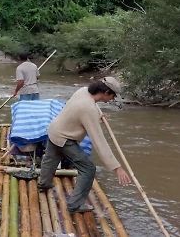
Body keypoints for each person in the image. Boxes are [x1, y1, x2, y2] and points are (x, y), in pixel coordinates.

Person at [38, 76, 132, 213]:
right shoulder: (89, 109)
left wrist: (99, 115)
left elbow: (87, 109)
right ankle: (74, 205)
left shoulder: (83, 91)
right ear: (106, 92)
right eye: (113, 96)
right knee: (88, 169)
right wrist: (116, 167)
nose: (112, 99)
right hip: (65, 137)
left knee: (51, 159)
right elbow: (99, 142)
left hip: (54, 129)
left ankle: (44, 184)